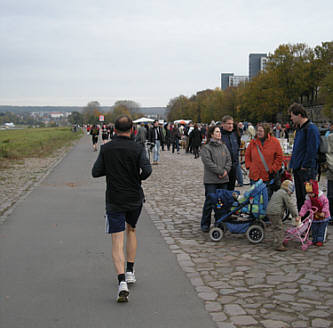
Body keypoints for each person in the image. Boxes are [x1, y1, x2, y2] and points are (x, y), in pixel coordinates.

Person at [92, 115, 152, 302]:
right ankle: (130, 270)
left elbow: (95, 172)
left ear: (115, 130)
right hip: (134, 197)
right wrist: (137, 178)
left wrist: (111, 170)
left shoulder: (106, 148)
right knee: (131, 230)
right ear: (132, 130)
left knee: (117, 240)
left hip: (115, 198)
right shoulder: (138, 148)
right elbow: (147, 170)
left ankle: (122, 282)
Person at [288, 103, 321, 211]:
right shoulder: (300, 129)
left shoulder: (311, 129)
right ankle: (302, 221)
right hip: (298, 168)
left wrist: (305, 165)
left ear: (299, 115)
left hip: (306, 170)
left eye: (292, 115)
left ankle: (310, 222)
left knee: (308, 198)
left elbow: (312, 150)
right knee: (300, 198)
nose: (291, 118)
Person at [200, 125, 232, 232]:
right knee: (210, 202)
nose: (219, 134)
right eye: (217, 132)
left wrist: (225, 171)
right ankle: (205, 223)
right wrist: (220, 171)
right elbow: (208, 163)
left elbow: (229, 160)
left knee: (222, 203)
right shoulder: (206, 148)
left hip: (223, 179)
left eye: (219, 132)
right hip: (211, 180)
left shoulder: (223, 146)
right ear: (212, 134)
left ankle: (220, 222)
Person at [245, 123, 283, 197]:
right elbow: (247, 155)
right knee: (254, 198)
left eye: (261, 131)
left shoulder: (274, 142)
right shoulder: (253, 142)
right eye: (257, 131)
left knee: (267, 198)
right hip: (255, 175)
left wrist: (273, 168)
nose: (258, 133)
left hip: (267, 175)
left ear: (266, 132)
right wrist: (249, 166)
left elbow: (279, 157)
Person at [266, 180, 299, 251]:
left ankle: (278, 241)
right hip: (276, 212)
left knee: (276, 227)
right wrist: (295, 215)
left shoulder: (278, 192)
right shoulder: (284, 194)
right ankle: (278, 245)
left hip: (270, 211)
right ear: (288, 189)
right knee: (279, 228)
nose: (291, 194)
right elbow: (290, 205)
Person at [299, 180, 331, 246]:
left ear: (315, 192)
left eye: (311, 193)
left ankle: (320, 240)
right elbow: (305, 207)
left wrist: (323, 211)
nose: (310, 195)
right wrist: (301, 214)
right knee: (314, 229)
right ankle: (315, 239)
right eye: (308, 193)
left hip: (323, 216)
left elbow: (326, 204)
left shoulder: (322, 198)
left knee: (321, 230)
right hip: (314, 217)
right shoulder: (308, 199)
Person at [221, 115, 240, 190]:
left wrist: (236, 163)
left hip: (233, 167)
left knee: (231, 190)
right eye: (228, 124)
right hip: (223, 167)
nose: (231, 126)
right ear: (223, 124)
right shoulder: (220, 135)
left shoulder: (234, 134)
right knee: (223, 190)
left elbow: (236, 149)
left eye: (232, 124)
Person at [327, 133, 333, 223]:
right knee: (331, 196)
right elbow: (328, 154)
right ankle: (331, 215)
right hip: (332, 172)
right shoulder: (331, 137)